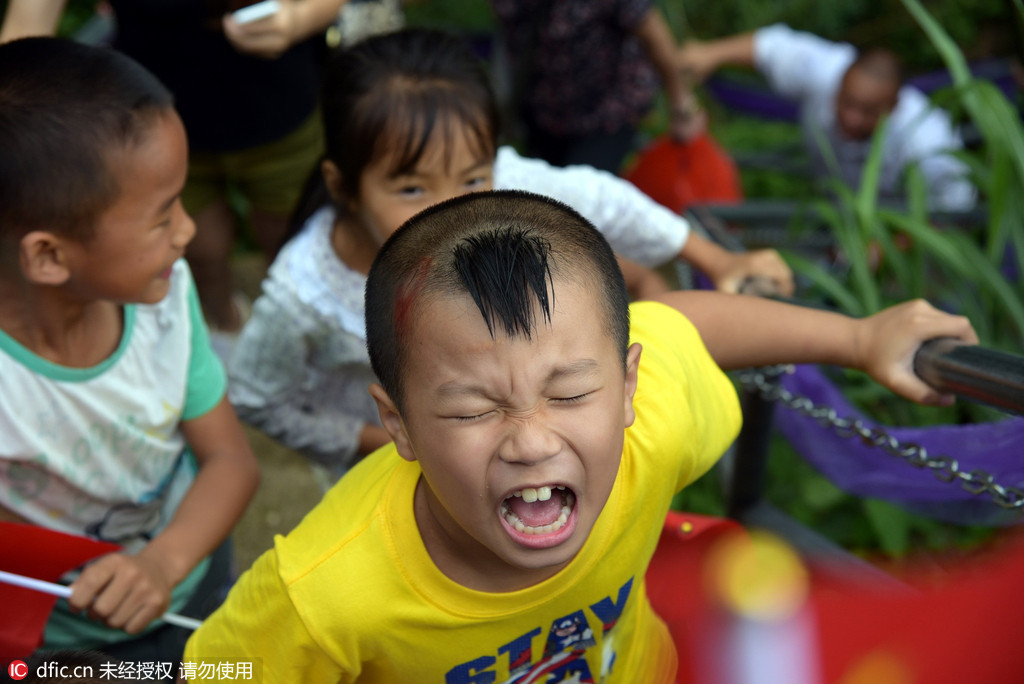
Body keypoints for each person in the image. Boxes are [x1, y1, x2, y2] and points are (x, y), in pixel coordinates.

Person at [184, 189, 977, 681]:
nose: (531, 440)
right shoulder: (323, 594)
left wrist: (856, 338)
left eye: (568, 391)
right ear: (400, 426)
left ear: (627, 387)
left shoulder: (647, 433)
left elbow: (680, 326)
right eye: (469, 410)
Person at [226, 28, 793, 477]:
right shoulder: (303, 293)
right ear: (344, 184)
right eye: (410, 188)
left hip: (517, 448)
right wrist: (384, 444)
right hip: (389, 471)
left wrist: (718, 260)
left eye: (471, 177)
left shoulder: (503, 183)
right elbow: (257, 397)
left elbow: (608, 201)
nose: (453, 210)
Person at [0, 38, 259, 660]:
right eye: (164, 213)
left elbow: (231, 461)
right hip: (65, 647)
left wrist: (163, 567)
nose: (188, 230)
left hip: (193, 580)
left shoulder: (162, 300)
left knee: (227, 673)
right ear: (49, 256)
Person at [0, 0, 347, 350]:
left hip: (281, 113)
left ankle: (295, 334)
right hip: (149, 137)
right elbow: (25, 30)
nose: (183, 228)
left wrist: (298, 20)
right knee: (202, 252)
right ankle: (223, 323)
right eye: (164, 217)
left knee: (289, 239)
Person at [678, 23, 977, 211]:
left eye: (868, 111)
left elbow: (956, 209)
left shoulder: (927, 139)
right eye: (846, 102)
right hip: (833, 210)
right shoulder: (825, 70)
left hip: (900, 238)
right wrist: (709, 54)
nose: (850, 118)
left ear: (894, 104)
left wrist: (892, 245)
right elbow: (769, 47)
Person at [492, 0, 706, 173]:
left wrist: (682, 105)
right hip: (543, 112)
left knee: (579, 200)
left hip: (606, 114)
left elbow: (656, 39)